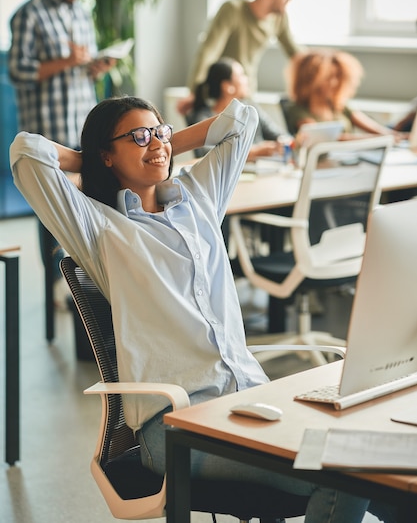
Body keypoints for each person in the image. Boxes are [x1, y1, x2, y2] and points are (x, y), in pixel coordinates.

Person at [10, 95, 390, 523]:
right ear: (107, 155)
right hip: (177, 426)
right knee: (343, 478)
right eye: (137, 136)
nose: (155, 143)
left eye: (160, 131)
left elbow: (241, 121)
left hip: (251, 399)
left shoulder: (198, 197)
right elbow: (26, 152)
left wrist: (156, 143)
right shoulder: (101, 227)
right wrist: (90, 159)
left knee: (389, 471)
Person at [8, 0, 115, 297]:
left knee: (86, 204)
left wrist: (94, 68)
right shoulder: (29, 14)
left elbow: (81, 69)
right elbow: (18, 71)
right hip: (47, 131)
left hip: (81, 125)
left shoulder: (80, 13)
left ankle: (83, 281)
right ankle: (53, 286)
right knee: (49, 211)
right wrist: (66, 63)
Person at [178, 0, 300, 115]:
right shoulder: (233, 10)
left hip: (247, 91)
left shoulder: (279, 18)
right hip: (221, 93)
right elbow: (208, 51)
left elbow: (295, 53)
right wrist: (194, 91)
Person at [186, 57, 289, 159]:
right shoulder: (204, 117)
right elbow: (207, 154)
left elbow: (280, 135)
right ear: (228, 86)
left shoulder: (251, 109)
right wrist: (254, 152)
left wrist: (283, 141)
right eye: (241, 75)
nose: (247, 79)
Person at [284, 49, 399, 139]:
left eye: (337, 76)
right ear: (311, 80)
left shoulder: (339, 105)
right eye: (328, 77)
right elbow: (326, 138)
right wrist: (377, 139)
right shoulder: (297, 110)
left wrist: (398, 136)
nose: (334, 82)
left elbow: (378, 130)